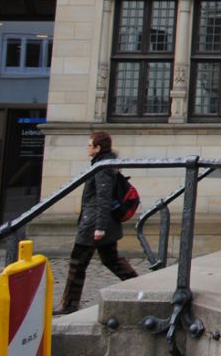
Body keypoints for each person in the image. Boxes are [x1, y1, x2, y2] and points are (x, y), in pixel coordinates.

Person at [55, 131, 138, 315]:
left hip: (93, 224)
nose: (87, 148)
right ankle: (140, 287)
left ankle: (69, 304)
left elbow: (103, 198)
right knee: (111, 260)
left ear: (98, 148)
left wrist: (100, 227)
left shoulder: (102, 167)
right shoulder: (103, 164)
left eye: (89, 145)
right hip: (100, 222)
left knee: (77, 263)